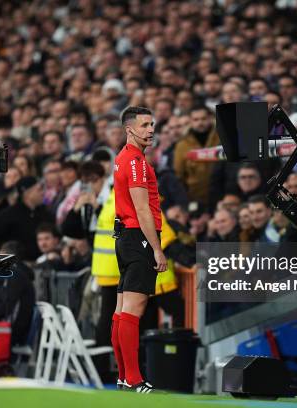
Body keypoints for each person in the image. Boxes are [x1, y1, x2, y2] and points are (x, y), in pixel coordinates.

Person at [111, 106, 167, 393]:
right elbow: (143, 209)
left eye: (152, 124)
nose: (150, 130)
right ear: (129, 128)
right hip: (138, 238)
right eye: (145, 125)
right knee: (133, 310)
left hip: (126, 238)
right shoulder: (134, 161)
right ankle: (134, 379)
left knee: (122, 310)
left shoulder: (123, 158)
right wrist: (157, 250)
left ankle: (123, 377)